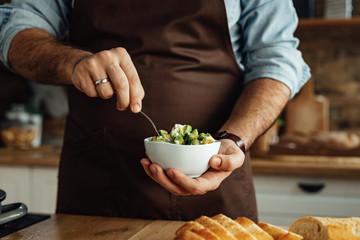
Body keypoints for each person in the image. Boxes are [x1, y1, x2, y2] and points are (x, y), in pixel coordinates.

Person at [0, 0, 310, 221]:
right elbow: (14, 29)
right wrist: (71, 61)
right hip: (97, 185)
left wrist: (235, 139)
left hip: (220, 183)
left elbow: (279, 60)